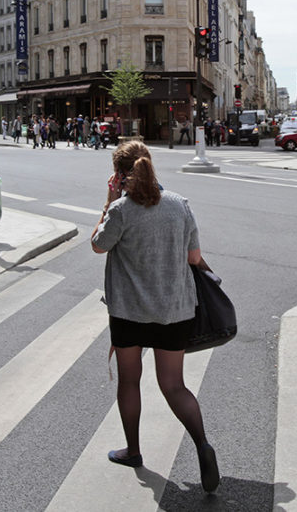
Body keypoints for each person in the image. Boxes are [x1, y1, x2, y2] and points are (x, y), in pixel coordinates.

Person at [90, 141, 220, 493]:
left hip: (128, 312)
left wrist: (109, 201)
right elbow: (194, 258)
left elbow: (98, 245)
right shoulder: (179, 205)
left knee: (129, 381)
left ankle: (133, 451)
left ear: (119, 175)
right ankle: (202, 445)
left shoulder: (120, 210)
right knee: (174, 385)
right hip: (174, 311)